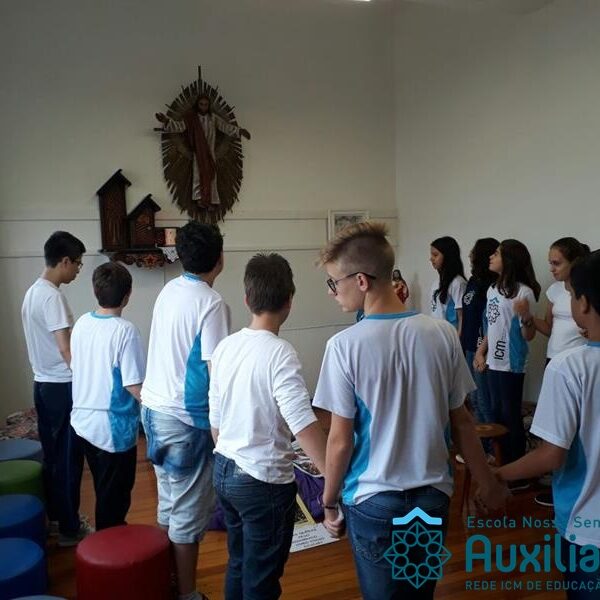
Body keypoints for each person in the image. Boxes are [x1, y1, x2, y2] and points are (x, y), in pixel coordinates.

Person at [313, 221, 507, 600]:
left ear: (362, 281)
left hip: (373, 500)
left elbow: (339, 441)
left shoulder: (344, 346)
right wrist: (486, 482)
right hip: (432, 496)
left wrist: (329, 501)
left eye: (334, 282)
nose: (332, 292)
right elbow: (463, 422)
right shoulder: (441, 334)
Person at [209, 253, 327, 600]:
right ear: (289, 300)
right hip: (261, 482)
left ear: (247, 299)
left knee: (238, 562)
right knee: (261, 578)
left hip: (224, 469)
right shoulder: (280, 352)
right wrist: (333, 480)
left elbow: (215, 420)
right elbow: (302, 425)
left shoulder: (225, 347)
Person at [496, 250, 600, 600]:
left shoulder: (571, 367)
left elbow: (551, 455)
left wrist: (496, 476)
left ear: (583, 303)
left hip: (588, 528)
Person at [141, 221, 230, 600]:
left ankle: (167, 579)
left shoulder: (169, 290)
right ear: (220, 258)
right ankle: (187, 593)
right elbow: (214, 372)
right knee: (188, 514)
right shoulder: (211, 303)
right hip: (183, 420)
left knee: (169, 501)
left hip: (152, 410)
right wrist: (220, 428)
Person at [21, 231, 92, 547]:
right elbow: (66, 349)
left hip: (42, 385)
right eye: (77, 263)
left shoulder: (32, 292)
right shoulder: (52, 297)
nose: (78, 270)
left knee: (53, 458)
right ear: (64, 261)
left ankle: (57, 520)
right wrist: (88, 380)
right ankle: (69, 529)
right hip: (62, 388)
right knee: (68, 460)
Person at [70, 262, 145, 530]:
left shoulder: (82, 323)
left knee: (104, 491)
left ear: (95, 290)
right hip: (111, 428)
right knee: (114, 500)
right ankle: (109, 544)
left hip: (82, 422)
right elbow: (134, 385)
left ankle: (108, 539)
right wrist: (158, 406)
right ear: (128, 295)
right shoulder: (125, 330)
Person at [518, 237, 590, 507]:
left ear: (575, 262)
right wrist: (527, 316)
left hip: (579, 366)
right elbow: (548, 327)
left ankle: (577, 484)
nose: (551, 268)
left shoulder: (588, 290)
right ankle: (556, 481)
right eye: (550, 263)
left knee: (576, 429)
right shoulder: (554, 291)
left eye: (557, 263)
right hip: (554, 362)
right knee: (555, 428)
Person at [474, 239, 541, 483]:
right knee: (495, 416)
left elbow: (528, 335)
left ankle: (519, 474)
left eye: (497, 253)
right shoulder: (492, 289)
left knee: (510, 417)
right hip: (493, 362)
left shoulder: (524, 292)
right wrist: (481, 352)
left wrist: (526, 316)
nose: (491, 257)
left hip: (512, 364)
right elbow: (492, 326)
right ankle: (503, 467)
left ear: (509, 260)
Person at [156, 94, 251, 208]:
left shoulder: (213, 118)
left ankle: (211, 200)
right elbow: (180, 126)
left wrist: (239, 131)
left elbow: (225, 127)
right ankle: (199, 199)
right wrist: (166, 121)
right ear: (197, 105)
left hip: (210, 152)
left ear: (209, 105)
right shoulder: (192, 118)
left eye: (206, 104)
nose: (203, 107)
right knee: (198, 175)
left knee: (212, 175)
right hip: (198, 152)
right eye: (201, 104)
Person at [458, 237, 499, 463]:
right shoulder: (474, 281)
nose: (470, 255)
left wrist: (482, 350)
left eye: (474, 251)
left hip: (481, 348)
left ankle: (490, 450)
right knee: (473, 400)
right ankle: (479, 448)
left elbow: (490, 321)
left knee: (484, 400)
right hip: (468, 345)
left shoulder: (490, 284)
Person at [430, 236, 467, 335]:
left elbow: (461, 317)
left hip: (450, 336)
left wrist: (457, 341)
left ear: (447, 256)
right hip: (437, 335)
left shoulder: (458, 283)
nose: (431, 259)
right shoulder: (436, 283)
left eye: (435, 255)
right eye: (431, 255)